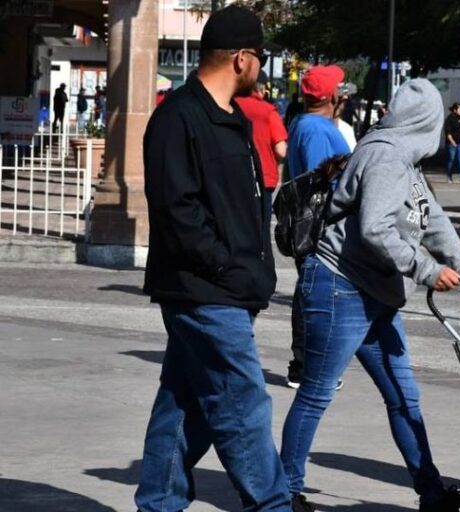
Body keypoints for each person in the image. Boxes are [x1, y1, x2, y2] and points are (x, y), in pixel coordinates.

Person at [279, 78, 460, 512]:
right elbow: (374, 228)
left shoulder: (405, 159)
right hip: (341, 284)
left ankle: (431, 494)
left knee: (403, 396)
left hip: (376, 293)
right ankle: (281, 495)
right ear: (427, 122)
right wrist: (428, 270)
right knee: (318, 391)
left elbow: (431, 219)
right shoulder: (384, 156)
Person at [134, 6, 291, 511]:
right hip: (203, 291)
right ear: (242, 58)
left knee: (183, 408)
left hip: (229, 288)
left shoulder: (235, 119)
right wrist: (226, 266)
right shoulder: (178, 116)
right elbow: (177, 209)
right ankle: (274, 505)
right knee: (243, 406)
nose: (262, 68)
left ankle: (158, 502)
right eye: (261, 58)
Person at [282, 64, 352, 389]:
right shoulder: (316, 130)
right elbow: (322, 179)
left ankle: (308, 365)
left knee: (311, 291)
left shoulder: (304, 123)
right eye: (340, 88)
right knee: (316, 294)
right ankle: (308, 366)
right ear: (332, 95)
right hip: (322, 227)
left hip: (314, 224)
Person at [237, 73, 288, 214]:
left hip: (235, 176)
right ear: (263, 88)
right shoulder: (268, 111)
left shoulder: (231, 105)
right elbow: (281, 150)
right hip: (263, 177)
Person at [444, 102, 460, 184]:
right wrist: (452, 142)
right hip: (451, 143)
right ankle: (449, 176)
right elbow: (448, 133)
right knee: (451, 160)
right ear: (455, 110)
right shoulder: (449, 119)